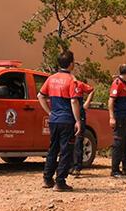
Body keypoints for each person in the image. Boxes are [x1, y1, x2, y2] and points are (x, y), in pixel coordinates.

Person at [37, 50, 82, 191]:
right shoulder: (72, 80)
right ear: (71, 64)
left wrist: (49, 112)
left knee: (52, 149)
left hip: (54, 120)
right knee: (65, 151)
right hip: (67, 120)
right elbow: (74, 101)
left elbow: (40, 96)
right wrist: (78, 120)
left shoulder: (51, 79)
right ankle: (60, 182)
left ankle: (47, 179)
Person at [108, 63, 126, 178]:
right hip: (119, 117)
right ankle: (115, 170)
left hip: (124, 118)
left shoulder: (123, 82)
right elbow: (111, 101)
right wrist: (112, 117)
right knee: (118, 144)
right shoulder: (117, 84)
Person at [71, 80, 95, 176]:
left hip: (79, 113)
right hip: (68, 113)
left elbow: (91, 90)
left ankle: (77, 167)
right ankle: (68, 165)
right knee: (68, 140)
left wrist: (87, 103)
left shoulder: (78, 83)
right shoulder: (64, 82)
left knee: (78, 140)